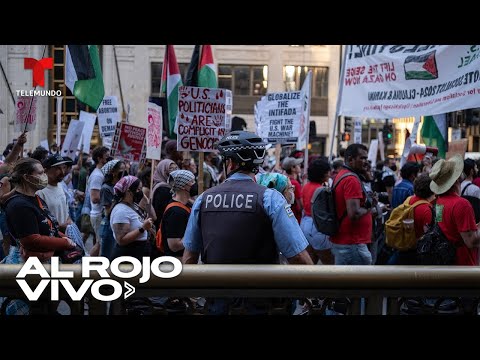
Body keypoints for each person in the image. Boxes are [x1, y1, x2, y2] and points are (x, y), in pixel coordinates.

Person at [182, 131, 313, 315]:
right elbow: (298, 257)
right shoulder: (271, 198)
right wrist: (317, 290)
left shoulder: (203, 199)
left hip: (217, 301)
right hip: (261, 301)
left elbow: (189, 259)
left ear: (230, 163)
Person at [4, 158, 76, 263]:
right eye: (41, 173)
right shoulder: (19, 205)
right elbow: (32, 240)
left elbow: (49, 227)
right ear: (27, 177)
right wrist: (64, 243)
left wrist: (65, 238)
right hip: (26, 266)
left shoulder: (36, 198)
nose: (45, 176)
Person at [429, 155, 480, 265]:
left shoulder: (439, 201)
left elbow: (451, 229)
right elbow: (472, 241)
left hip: (447, 263)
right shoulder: (461, 204)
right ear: (457, 178)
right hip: (463, 265)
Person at [330, 144, 373, 265]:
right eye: (362, 158)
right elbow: (354, 214)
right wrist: (370, 206)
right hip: (352, 245)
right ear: (350, 159)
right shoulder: (351, 180)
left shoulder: (343, 174)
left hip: (348, 243)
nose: (365, 162)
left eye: (366, 158)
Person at [299, 159, 334, 264]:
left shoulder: (305, 187)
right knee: (330, 266)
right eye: (328, 172)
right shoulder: (322, 190)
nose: (330, 174)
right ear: (322, 174)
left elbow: (302, 205)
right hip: (319, 226)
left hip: (304, 225)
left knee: (310, 265)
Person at [110, 176, 153, 260]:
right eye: (138, 189)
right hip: (127, 256)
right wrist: (143, 228)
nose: (140, 192)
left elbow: (153, 216)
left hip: (138, 254)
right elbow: (121, 240)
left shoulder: (133, 205)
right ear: (129, 191)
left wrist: (146, 199)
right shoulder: (121, 211)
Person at [158, 170, 195, 259]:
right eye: (192, 182)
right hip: (176, 262)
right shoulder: (175, 212)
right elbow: (174, 246)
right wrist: (195, 234)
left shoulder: (187, 204)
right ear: (183, 186)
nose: (195, 184)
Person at [36, 154, 73, 233]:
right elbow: (40, 221)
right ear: (45, 170)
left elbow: (65, 211)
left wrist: (69, 221)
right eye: (57, 168)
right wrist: (59, 227)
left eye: (63, 167)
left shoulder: (61, 185)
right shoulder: (39, 191)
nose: (63, 172)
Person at [99, 159, 126, 258]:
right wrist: (116, 199)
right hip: (109, 225)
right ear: (113, 172)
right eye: (121, 171)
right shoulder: (106, 188)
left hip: (117, 223)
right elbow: (107, 212)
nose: (123, 174)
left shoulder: (121, 187)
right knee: (106, 256)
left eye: (125, 171)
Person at [281, 156, 304, 223]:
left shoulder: (284, 180)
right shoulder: (294, 183)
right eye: (298, 165)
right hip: (295, 216)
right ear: (293, 168)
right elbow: (300, 205)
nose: (300, 166)